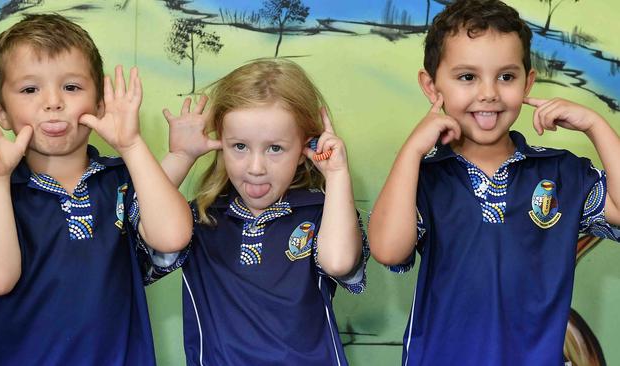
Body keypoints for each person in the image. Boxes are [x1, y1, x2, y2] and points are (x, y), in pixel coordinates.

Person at [368, 0, 620, 364]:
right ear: (431, 85)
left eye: (506, 76)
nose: (489, 93)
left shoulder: (561, 173)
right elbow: (389, 250)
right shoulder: (422, 178)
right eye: (467, 77)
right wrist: (411, 152)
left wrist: (597, 126)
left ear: (528, 81)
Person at [0, 14, 191, 365]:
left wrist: (131, 145)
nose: (53, 102)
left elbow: (171, 237)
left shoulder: (124, 181)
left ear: (100, 103)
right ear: (0, 112)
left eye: (71, 87)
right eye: (30, 89)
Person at [158, 58, 369, 365]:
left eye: (275, 148)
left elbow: (337, 262)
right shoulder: (198, 218)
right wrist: (179, 157)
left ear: (303, 148)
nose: (256, 168)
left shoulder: (322, 213)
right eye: (240, 146)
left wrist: (337, 174)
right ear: (220, 142)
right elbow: (135, 223)